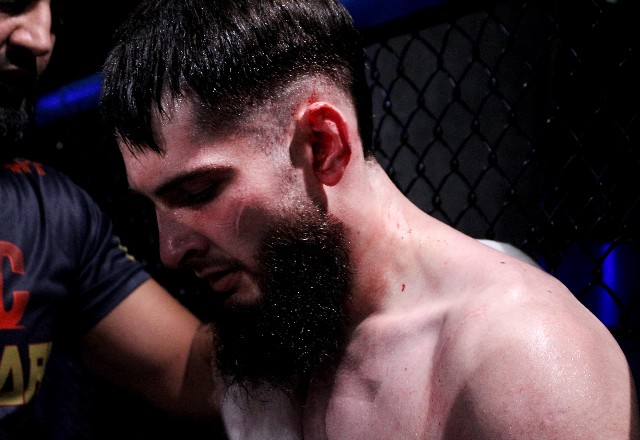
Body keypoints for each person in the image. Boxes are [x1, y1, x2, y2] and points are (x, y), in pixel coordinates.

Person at [101, 0, 640, 438]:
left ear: (322, 145)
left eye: (198, 192)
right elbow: (174, 368)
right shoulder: (273, 328)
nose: (169, 250)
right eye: (153, 205)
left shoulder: (522, 359)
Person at [1, 1, 221, 437]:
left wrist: (344, 263)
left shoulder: (50, 214)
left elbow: (190, 373)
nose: (40, 41)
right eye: (11, 3)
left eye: (54, 18)